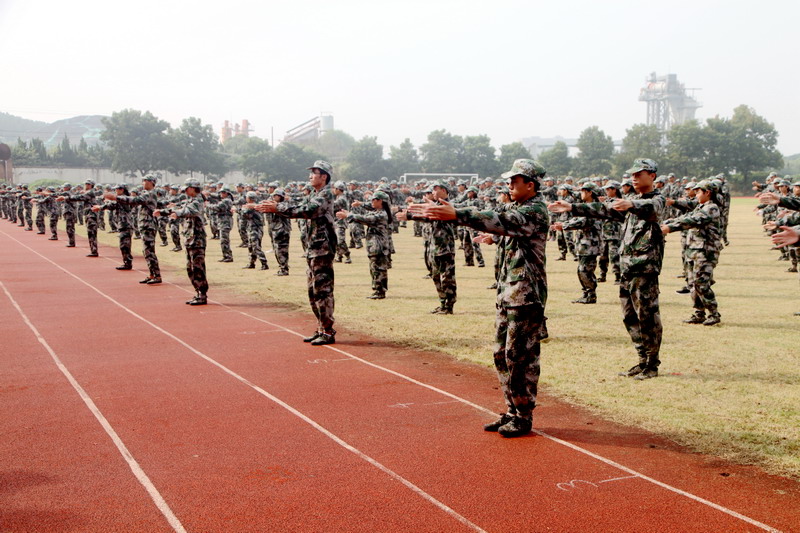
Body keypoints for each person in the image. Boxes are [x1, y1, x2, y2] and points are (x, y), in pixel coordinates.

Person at [416, 159, 549, 437]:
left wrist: (457, 215)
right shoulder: (516, 207)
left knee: (519, 357)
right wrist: (493, 239)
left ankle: (524, 415)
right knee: (501, 355)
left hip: (525, 296)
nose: (509, 184)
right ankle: (512, 410)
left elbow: (504, 222)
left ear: (531, 185)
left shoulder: (535, 210)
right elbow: (496, 219)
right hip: (508, 293)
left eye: (515, 180)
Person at [549, 158, 666, 380]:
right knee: (629, 316)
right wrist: (573, 207)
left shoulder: (655, 199)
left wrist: (631, 205)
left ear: (651, 176)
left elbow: (653, 209)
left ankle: (652, 364)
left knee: (648, 316)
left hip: (645, 268)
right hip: (628, 268)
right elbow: (604, 209)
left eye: (638, 173)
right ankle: (641, 360)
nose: (633, 177)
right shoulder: (631, 200)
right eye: (632, 173)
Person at [256, 160, 337, 345]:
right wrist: (277, 206)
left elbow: (307, 210)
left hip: (322, 249)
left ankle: (328, 330)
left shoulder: (325, 194)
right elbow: (299, 205)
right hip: (313, 248)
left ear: (324, 176)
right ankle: (321, 327)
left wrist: (278, 208)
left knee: (322, 290)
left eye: (314, 173)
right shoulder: (315, 193)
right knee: (313, 291)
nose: (310, 176)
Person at [662, 180, 723, 325]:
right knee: (692, 284)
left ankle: (714, 314)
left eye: (698, 191)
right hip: (694, 251)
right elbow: (685, 217)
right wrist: (671, 221)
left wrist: (670, 228)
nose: (695, 194)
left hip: (706, 252)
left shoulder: (711, 208)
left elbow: (693, 220)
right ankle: (699, 313)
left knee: (701, 283)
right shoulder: (701, 206)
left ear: (707, 193)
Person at [404, 181, 458, 314]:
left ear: (444, 191)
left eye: (436, 189)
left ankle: (449, 305)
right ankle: (442, 302)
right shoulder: (436, 205)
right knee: (436, 276)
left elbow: (431, 216)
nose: (433, 192)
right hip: (435, 246)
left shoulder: (449, 205)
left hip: (445, 247)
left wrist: (410, 216)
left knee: (447, 278)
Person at [155, 178, 209, 305]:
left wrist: (177, 213)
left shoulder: (198, 200)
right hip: (190, 238)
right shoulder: (190, 200)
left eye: (187, 188)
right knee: (190, 268)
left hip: (197, 240)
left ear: (192, 188)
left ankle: (202, 294)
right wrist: (163, 212)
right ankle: (197, 292)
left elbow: (189, 211)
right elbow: (179, 208)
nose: (185, 191)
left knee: (198, 268)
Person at [336, 190, 393, 299]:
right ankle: (378, 290)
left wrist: (348, 215)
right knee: (375, 268)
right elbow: (364, 216)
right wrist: (351, 214)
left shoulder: (381, 214)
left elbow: (366, 219)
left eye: (374, 199)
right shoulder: (378, 211)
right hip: (375, 245)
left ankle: (380, 291)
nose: (371, 201)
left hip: (378, 245)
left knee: (378, 269)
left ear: (380, 201)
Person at [108, 174, 163, 284]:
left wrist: (117, 198)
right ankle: (152, 274)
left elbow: (136, 200)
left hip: (149, 226)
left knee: (149, 251)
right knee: (146, 251)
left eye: (145, 181)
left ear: (151, 182)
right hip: (145, 226)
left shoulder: (150, 194)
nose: (143, 182)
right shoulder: (147, 193)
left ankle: (156, 275)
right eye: (143, 181)